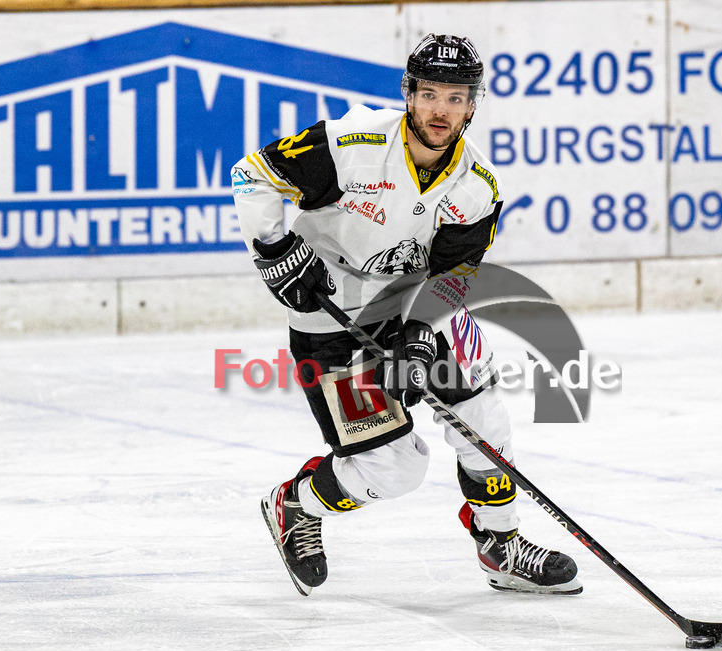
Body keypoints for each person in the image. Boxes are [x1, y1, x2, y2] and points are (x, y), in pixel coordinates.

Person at [232, 33, 580, 596]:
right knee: (393, 470)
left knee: (483, 415)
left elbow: (454, 273)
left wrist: (418, 335)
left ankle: (500, 542)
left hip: (407, 303)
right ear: (409, 94)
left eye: (456, 97)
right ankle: (297, 503)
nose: (441, 110)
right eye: (430, 94)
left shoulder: (477, 185)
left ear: (473, 105)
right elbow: (252, 173)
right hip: (328, 316)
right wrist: (275, 250)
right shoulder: (353, 143)